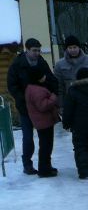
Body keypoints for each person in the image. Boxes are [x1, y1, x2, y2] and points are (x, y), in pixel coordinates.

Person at [6, 37, 59, 175]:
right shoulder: (17, 64)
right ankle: (27, 164)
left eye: (38, 50)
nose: (37, 53)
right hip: (25, 107)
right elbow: (12, 86)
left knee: (46, 138)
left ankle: (46, 164)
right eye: (34, 50)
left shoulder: (41, 62)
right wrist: (25, 99)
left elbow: (52, 80)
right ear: (27, 50)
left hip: (42, 106)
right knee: (28, 137)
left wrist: (46, 86)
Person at [24, 64, 61, 177]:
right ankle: (44, 170)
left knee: (45, 146)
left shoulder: (31, 87)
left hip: (41, 121)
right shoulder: (37, 90)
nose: (45, 77)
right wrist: (53, 97)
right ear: (38, 77)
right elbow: (43, 106)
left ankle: (46, 166)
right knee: (46, 146)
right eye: (43, 75)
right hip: (44, 122)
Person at [54, 35, 88, 105]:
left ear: (79, 47)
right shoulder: (60, 65)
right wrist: (60, 105)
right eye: (70, 48)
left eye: (75, 47)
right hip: (71, 102)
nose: (72, 50)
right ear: (66, 49)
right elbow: (59, 87)